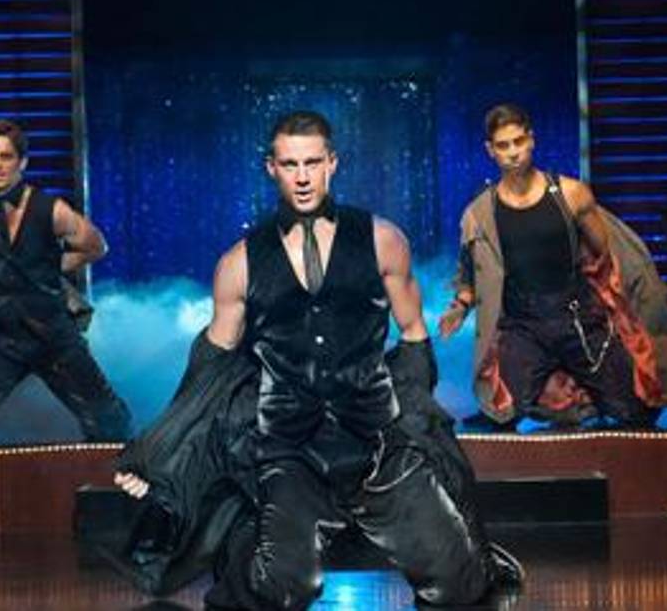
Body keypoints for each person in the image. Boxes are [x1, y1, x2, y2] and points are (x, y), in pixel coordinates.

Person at [112, 111, 519, 609]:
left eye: (312, 163)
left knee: (459, 586)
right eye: (290, 164)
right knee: (281, 588)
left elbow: (414, 334)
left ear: (332, 163)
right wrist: (155, 453)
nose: (302, 177)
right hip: (290, 452)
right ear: (272, 168)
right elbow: (208, 370)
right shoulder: (239, 263)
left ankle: (464, 557)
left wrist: (411, 412)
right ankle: (252, 540)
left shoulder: (382, 240)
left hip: (376, 442)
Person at [438, 103, 667, 432]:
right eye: (503, 145)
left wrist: (661, 294)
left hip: (577, 318)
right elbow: (472, 274)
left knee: (636, 411)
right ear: (491, 150)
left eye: (518, 141)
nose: (513, 153)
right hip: (522, 325)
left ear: (531, 140)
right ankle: (556, 417)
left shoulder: (571, 194)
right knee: (499, 412)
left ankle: (591, 412)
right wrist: (459, 306)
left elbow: (613, 257)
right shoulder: (480, 213)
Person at [0, 119, 131, 445]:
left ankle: (110, 478)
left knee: (111, 424)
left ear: (22, 162)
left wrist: (53, 265)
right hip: (0, 340)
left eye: (6, 156)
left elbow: (97, 246)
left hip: (52, 336)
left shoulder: (52, 209)